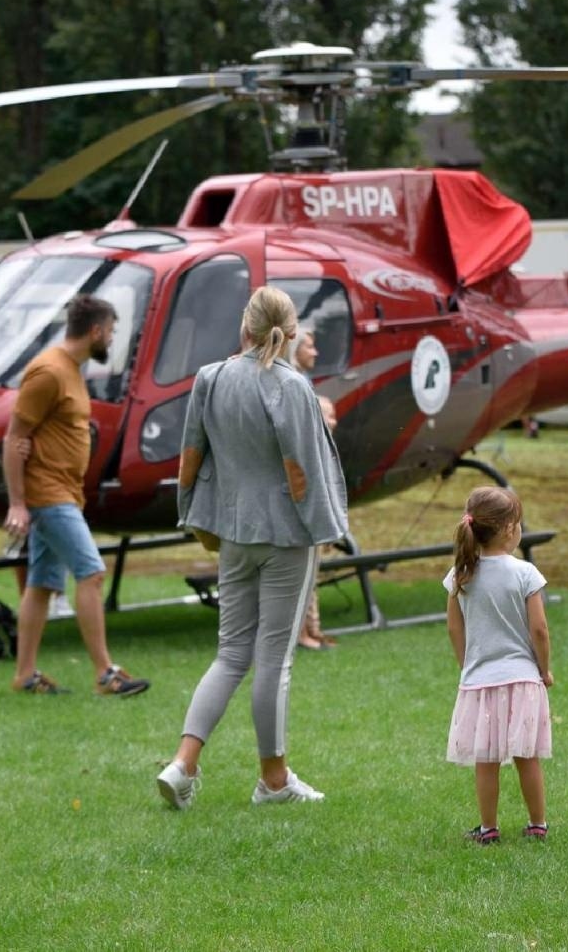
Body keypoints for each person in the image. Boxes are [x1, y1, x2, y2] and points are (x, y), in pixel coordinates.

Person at [157, 286, 348, 810]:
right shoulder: (292, 387)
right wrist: (324, 530)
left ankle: (183, 764)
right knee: (273, 661)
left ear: (245, 327)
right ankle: (274, 779)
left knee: (230, 654)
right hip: (286, 536)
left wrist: (193, 514)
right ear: (290, 331)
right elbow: (303, 471)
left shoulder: (209, 378)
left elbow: (189, 457)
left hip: (232, 536)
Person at [0, 294, 149, 698]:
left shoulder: (71, 369)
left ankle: (25, 675)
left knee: (43, 583)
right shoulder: (48, 371)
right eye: (112, 332)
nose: (112, 340)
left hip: (65, 491)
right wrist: (17, 502)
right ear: (96, 331)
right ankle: (106, 673)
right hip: (48, 494)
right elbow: (14, 437)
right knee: (92, 572)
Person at [444, 486, 554, 846]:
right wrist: (544, 669)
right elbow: (539, 629)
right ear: (510, 530)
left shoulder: (461, 573)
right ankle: (537, 824)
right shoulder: (525, 573)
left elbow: (453, 625)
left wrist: (466, 664)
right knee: (527, 757)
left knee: (486, 760)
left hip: (479, 681)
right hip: (523, 680)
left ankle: (488, 828)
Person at [292, 328, 339, 652]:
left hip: (309, 487)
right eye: (309, 345)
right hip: (301, 490)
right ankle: (302, 632)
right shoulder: (293, 385)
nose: (315, 351)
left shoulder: (300, 384)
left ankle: (312, 628)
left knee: (311, 564)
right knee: (303, 567)